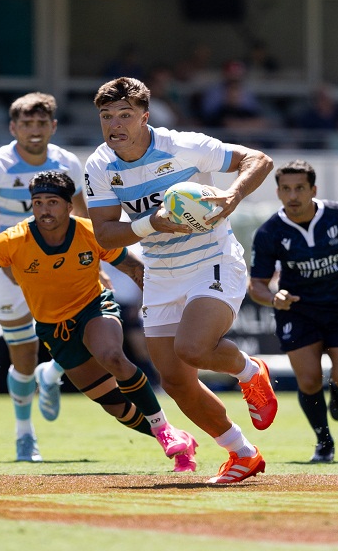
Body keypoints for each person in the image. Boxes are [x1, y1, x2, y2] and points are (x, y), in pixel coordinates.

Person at [84, 77, 278, 484]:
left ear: (145, 117)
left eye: (125, 115)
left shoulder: (182, 145)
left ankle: (249, 371)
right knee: (174, 380)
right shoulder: (100, 166)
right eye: (106, 116)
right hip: (160, 271)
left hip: (213, 258)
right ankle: (242, 453)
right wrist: (152, 223)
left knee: (192, 348)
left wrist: (232, 196)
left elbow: (258, 160)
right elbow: (104, 234)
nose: (114, 124)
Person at [0, 171, 198, 471]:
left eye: (52, 202)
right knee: (116, 406)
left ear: (69, 207)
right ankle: (173, 438)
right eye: (38, 203)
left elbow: (134, 268)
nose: (44, 210)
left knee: (112, 356)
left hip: (94, 308)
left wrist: (166, 308)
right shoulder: (15, 240)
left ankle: (165, 430)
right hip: (54, 329)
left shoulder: (90, 232)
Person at [0, 91, 85, 462]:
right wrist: (2, 260)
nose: (34, 130)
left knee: (88, 330)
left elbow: (82, 216)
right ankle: (24, 434)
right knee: (24, 355)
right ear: (13, 127)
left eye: (42, 123)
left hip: (60, 261)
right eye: (26, 123)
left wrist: (96, 264)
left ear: (53, 126)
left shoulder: (68, 162)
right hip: (9, 266)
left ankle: (53, 374)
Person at [247, 160, 338, 463]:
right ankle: (323, 442)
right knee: (309, 380)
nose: (293, 196)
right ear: (277, 192)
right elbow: (256, 287)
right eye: (286, 189)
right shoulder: (270, 232)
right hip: (298, 311)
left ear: (313, 189)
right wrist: (275, 298)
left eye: (300, 188)